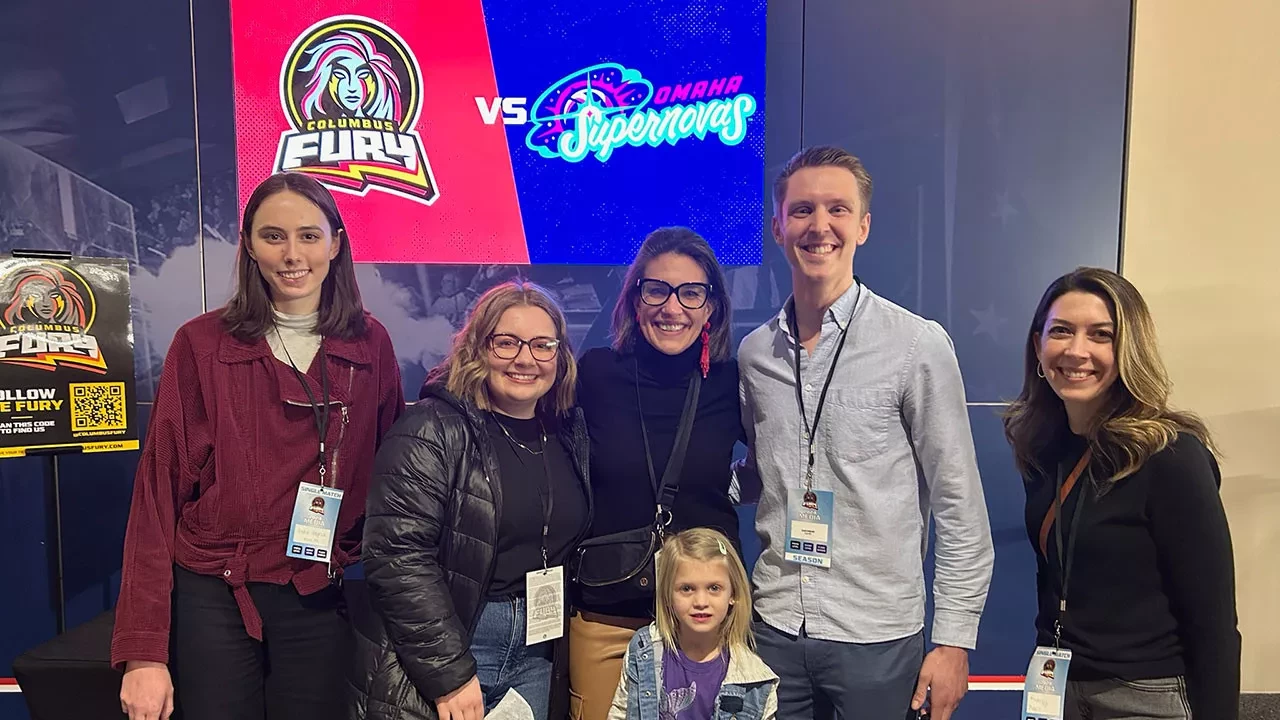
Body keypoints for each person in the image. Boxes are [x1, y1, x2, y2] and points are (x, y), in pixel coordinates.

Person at [112, 172, 405, 720]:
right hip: (216, 589)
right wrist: (142, 653)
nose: (292, 254)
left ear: (336, 243)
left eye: (308, 236)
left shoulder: (370, 344)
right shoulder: (200, 344)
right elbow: (157, 498)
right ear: (248, 244)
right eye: (273, 236)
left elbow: (397, 478)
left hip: (319, 587)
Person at [737, 146, 994, 720]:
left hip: (877, 634)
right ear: (778, 226)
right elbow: (764, 473)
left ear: (863, 226)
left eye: (837, 209)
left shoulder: (915, 345)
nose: (819, 226)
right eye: (802, 210)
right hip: (774, 623)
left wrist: (953, 641)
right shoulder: (755, 355)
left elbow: (959, 504)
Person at [1003, 267, 1240, 719]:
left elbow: (1213, 622)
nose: (1077, 351)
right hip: (1058, 687)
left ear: (1128, 349)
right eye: (1061, 332)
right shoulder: (1042, 446)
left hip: (1144, 696)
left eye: (1100, 335)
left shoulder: (1171, 456)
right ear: (1038, 346)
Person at [352, 280, 592, 720]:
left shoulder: (565, 432)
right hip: (455, 642)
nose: (525, 358)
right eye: (507, 343)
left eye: (543, 345)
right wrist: (449, 672)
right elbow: (396, 556)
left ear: (560, 357)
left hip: (537, 650)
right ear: (478, 348)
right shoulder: (430, 428)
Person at [569, 227, 744, 720]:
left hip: (706, 622)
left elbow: (790, 457)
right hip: (609, 619)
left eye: (691, 292)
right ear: (634, 298)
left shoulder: (731, 382)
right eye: (657, 290)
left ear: (712, 307)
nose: (673, 308)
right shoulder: (596, 374)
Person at [608, 528, 778, 720]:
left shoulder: (756, 681)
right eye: (687, 588)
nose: (700, 602)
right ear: (668, 594)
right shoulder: (643, 650)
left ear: (733, 595)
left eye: (714, 588)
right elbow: (621, 713)